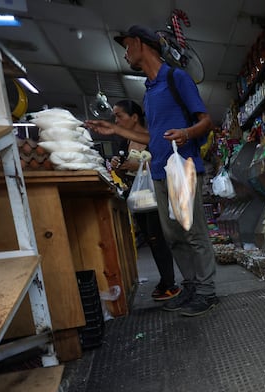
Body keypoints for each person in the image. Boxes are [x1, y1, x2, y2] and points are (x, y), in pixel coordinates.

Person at [87, 25, 218, 317]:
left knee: (193, 232)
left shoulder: (176, 78)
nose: (125, 53)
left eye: (127, 46)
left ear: (139, 43)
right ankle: (193, 287)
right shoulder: (148, 91)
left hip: (181, 169)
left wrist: (187, 132)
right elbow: (154, 138)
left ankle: (208, 292)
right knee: (173, 236)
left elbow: (206, 121)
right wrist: (114, 129)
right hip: (159, 170)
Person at [109, 99, 181, 302]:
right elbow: (123, 168)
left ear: (134, 117)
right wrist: (117, 164)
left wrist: (139, 164)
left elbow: (164, 162)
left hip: (156, 193)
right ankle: (166, 280)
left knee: (158, 238)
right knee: (151, 238)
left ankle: (170, 283)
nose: (116, 120)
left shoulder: (153, 137)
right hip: (137, 196)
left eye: (119, 115)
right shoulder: (124, 141)